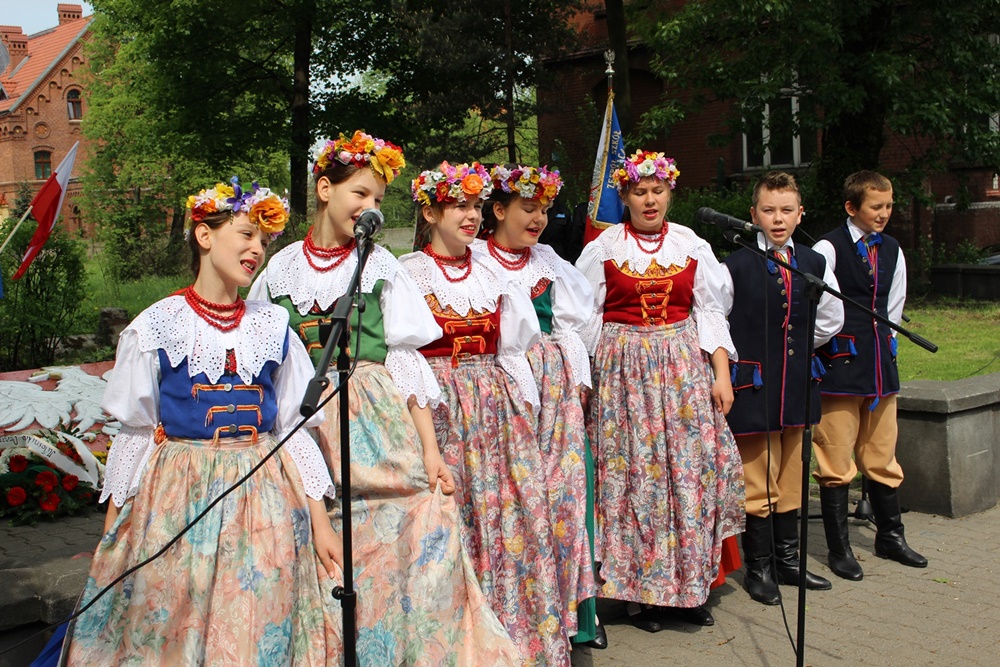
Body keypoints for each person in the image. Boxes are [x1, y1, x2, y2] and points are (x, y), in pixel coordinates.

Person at [249, 134, 520, 666]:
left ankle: (397, 649)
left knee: (413, 518)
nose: (369, 206)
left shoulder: (381, 266)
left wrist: (430, 451)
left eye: (376, 198)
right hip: (304, 419)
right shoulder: (279, 270)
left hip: (372, 416)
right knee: (310, 538)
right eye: (360, 193)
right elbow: (264, 358)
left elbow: (405, 359)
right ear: (324, 189)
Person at [63, 179, 341, 664]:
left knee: (257, 619)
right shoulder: (158, 325)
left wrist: (321, 523)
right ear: (205, 235)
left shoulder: (273, 324)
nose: (257, 249)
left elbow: (293, 431)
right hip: (181, 493)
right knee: (176, 622)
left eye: (263, 240)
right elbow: (135, 433)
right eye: (246, 234)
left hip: (263, 494)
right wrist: (113, 533)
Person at [401, 161, 570, 666]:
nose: (471, 215)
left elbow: (514, 350)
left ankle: (517, 641)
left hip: (496, 409)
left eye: (476, 205)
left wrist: (527, 412)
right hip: (442, 405)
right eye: (459, 206)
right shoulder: (408, 273)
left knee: (511, 519)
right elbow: (403, 357)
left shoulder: (495, 273)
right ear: (430, 212)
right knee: (455, 523)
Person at [575, 150, 745, 632]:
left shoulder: (691, 244)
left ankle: (690, 588)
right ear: (625, 197)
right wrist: (585, 383)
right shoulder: (604, 248)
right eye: (640, 192)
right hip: (625, 376)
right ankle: (640, 596)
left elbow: (709, 312)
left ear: (670, 193)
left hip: (682, 371)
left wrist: (721, 374)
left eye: (658, 191)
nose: (649, 200)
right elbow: (584, 319)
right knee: (635, 480)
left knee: (688, 475)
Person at [475, 165, 601, 649]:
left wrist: (576, 379)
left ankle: (573, 613)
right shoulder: (475, 261)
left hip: (552, 387)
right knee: (512, 499)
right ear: (498, 210)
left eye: (544, 210)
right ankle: (515, 612)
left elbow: (572, 325)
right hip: (500, 384)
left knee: (564, 494)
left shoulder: (548, 261)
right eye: (528, 208)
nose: (539, 219)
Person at [720, 171, 841, 605]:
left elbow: (832, 318)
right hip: (754, 386)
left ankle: (789, 561)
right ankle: (760, 567)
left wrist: (801, 346)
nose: (778, 219)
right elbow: (716, 321)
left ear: (799, 214)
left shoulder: (814, 262)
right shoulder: (734, 265)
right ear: (753, 215)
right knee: (758, 478)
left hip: (797, 384)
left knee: (791, 474)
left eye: (786, 210)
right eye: (768, 210)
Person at [812, 170, 928, 580]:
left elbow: (894, 306)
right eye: (876, 206)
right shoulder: (828, 248)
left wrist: (887, 348)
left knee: (882, 455)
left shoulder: (893, 249)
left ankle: (890, 536)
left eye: (889, 205)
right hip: (840, 367)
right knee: (835, 458)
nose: (884, 213)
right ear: (851, 207)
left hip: (879, 368)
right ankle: (840, 549)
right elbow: (818, 308)